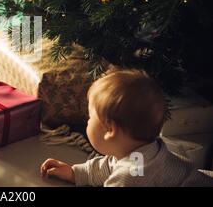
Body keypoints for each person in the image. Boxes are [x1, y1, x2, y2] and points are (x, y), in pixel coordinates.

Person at [40, 69, 213, 186]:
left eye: (90, 117)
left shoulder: (129, 177)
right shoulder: (143, 152)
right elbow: (107, 166)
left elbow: (120, 172)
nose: (87, 120)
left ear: (110, 130)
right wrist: (74, 173)